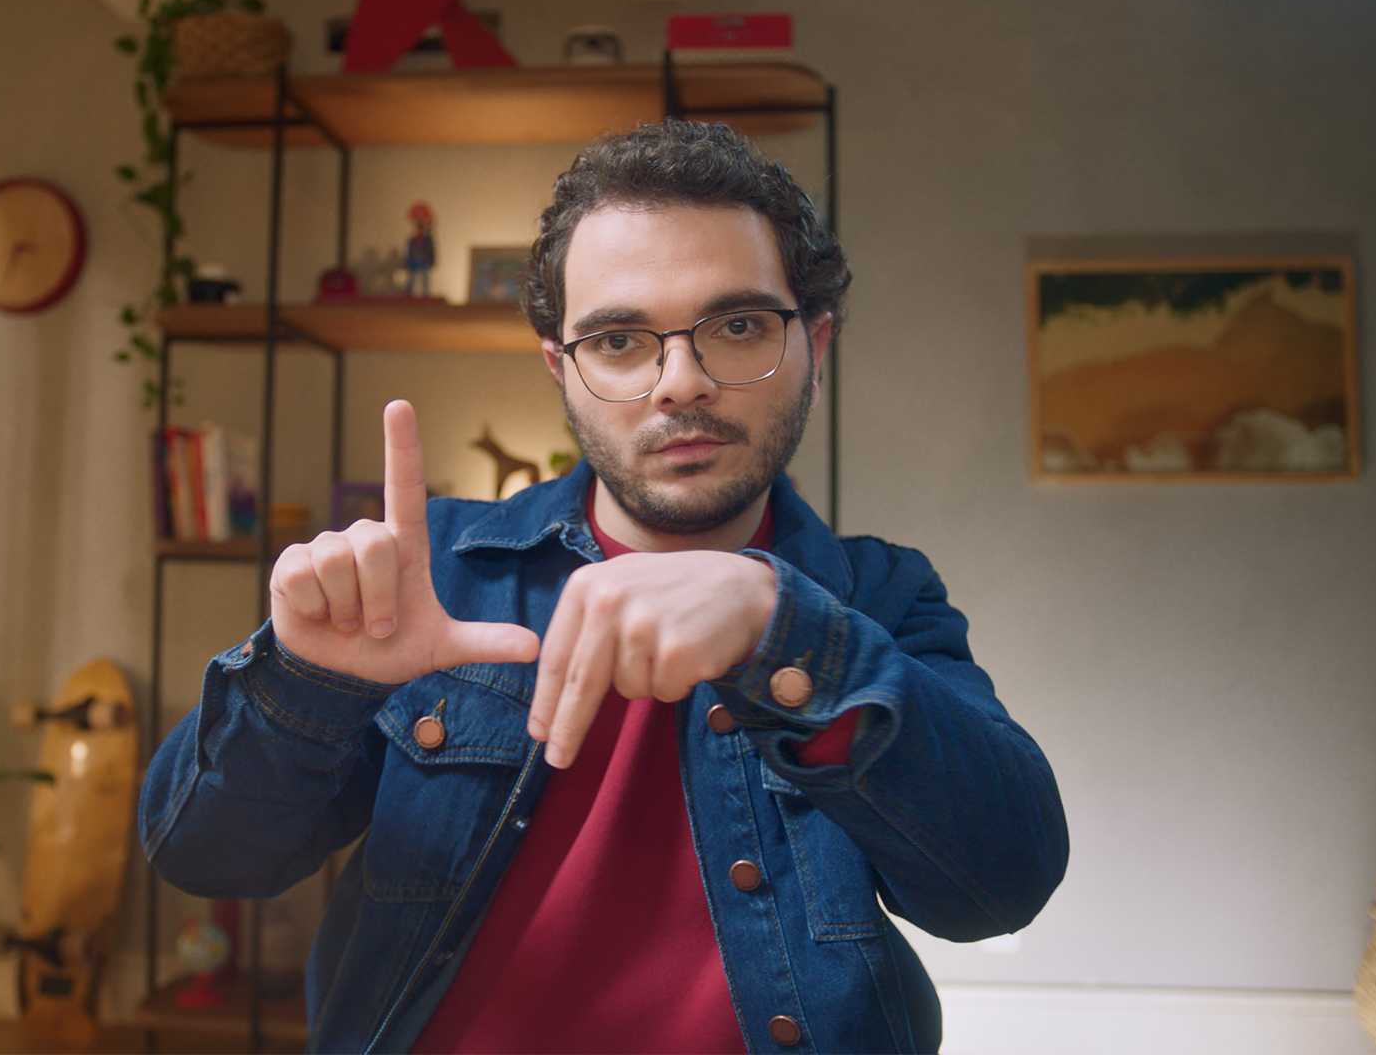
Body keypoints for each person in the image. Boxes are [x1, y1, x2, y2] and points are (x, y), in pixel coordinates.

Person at [140, 120, 1068, 1055]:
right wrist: (307, 683)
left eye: (739, 327)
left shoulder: (879, 598)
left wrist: (780, 631)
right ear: (562, 371)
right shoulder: (439, 572)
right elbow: (204, 856)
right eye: (620, 339)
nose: (680, 383)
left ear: (814, 348)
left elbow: (998, 889)